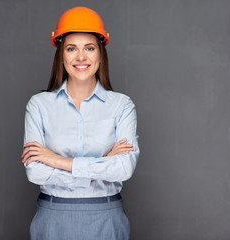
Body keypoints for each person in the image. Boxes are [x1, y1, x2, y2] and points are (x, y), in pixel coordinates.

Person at [21, 6, 139, 240]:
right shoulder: (39, 105)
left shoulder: (122, 105)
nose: (81, 57)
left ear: (100, 53)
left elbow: (123, 168)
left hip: (107, 219)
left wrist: (57, 160)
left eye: (90, 48)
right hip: (53, 218)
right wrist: (102, 163)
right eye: (72, 48)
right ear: (61, 54)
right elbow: (35, 172)